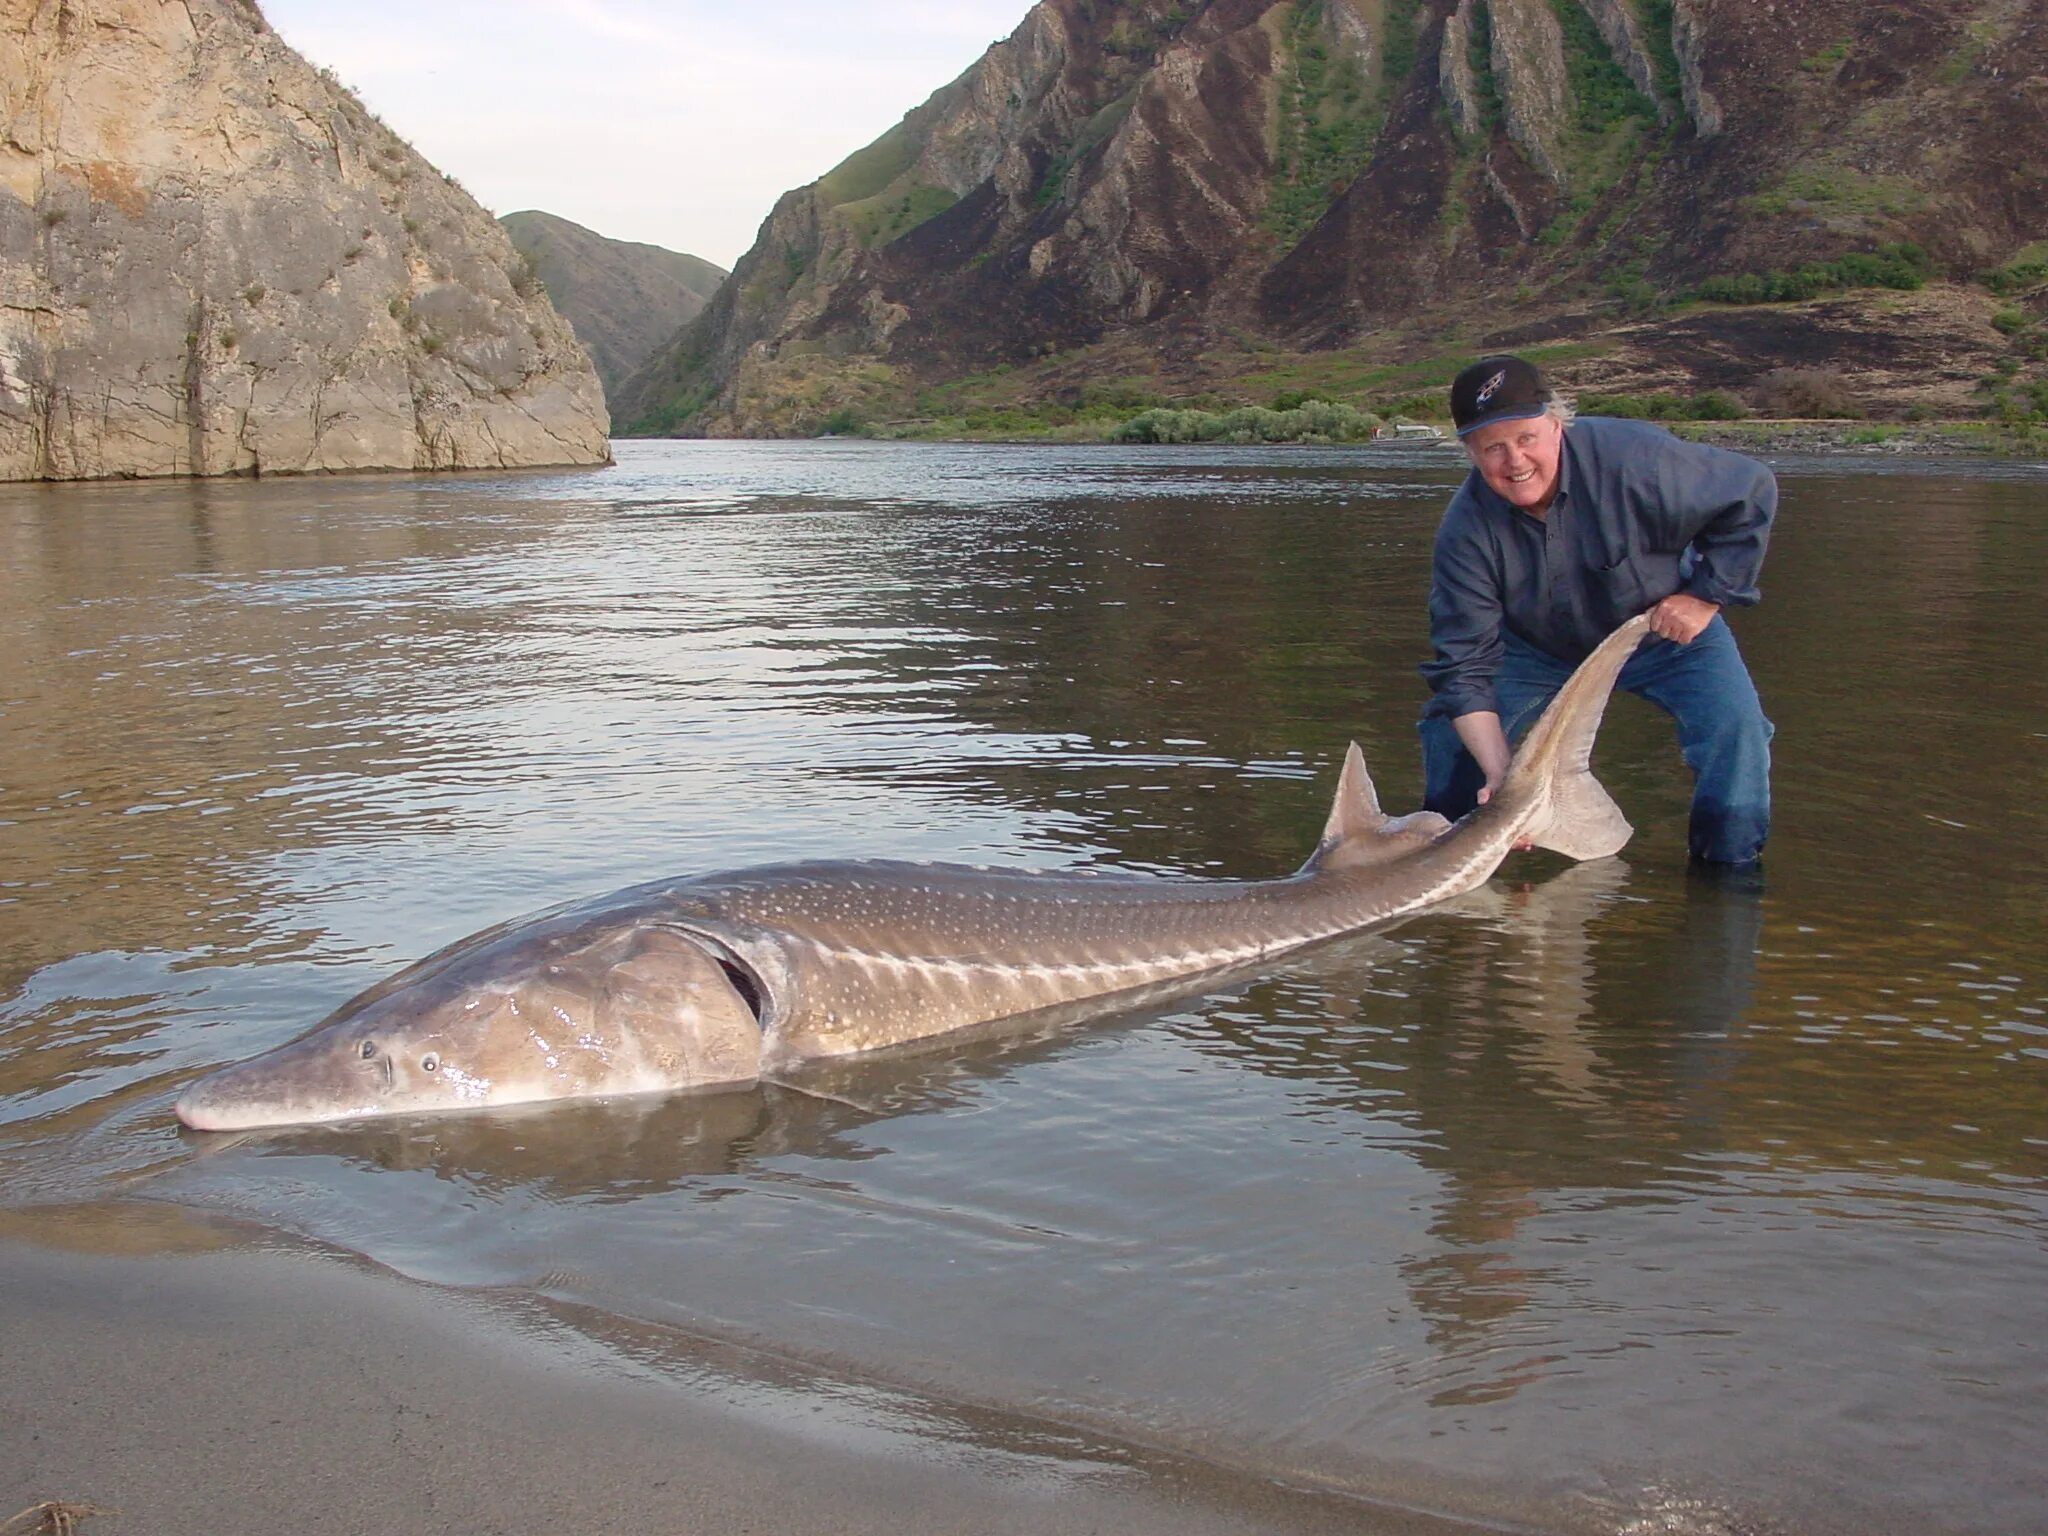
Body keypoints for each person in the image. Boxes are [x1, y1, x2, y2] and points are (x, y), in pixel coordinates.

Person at [1417, 355, 1776, 866]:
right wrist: (1503, 781)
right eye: (1493, 448)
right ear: (1470, 454)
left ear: (1557, 426)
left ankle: (1727, 880)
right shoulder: (1464, 532)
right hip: (1537, 650)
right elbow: (1463, 665)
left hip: (1663, 633)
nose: (1514, 461)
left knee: (1737, 734)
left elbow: (1751, 489)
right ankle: (1452, 883)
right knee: (1449, 739)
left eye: (1526, 438)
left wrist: (1705, 595)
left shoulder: (1638, 460)